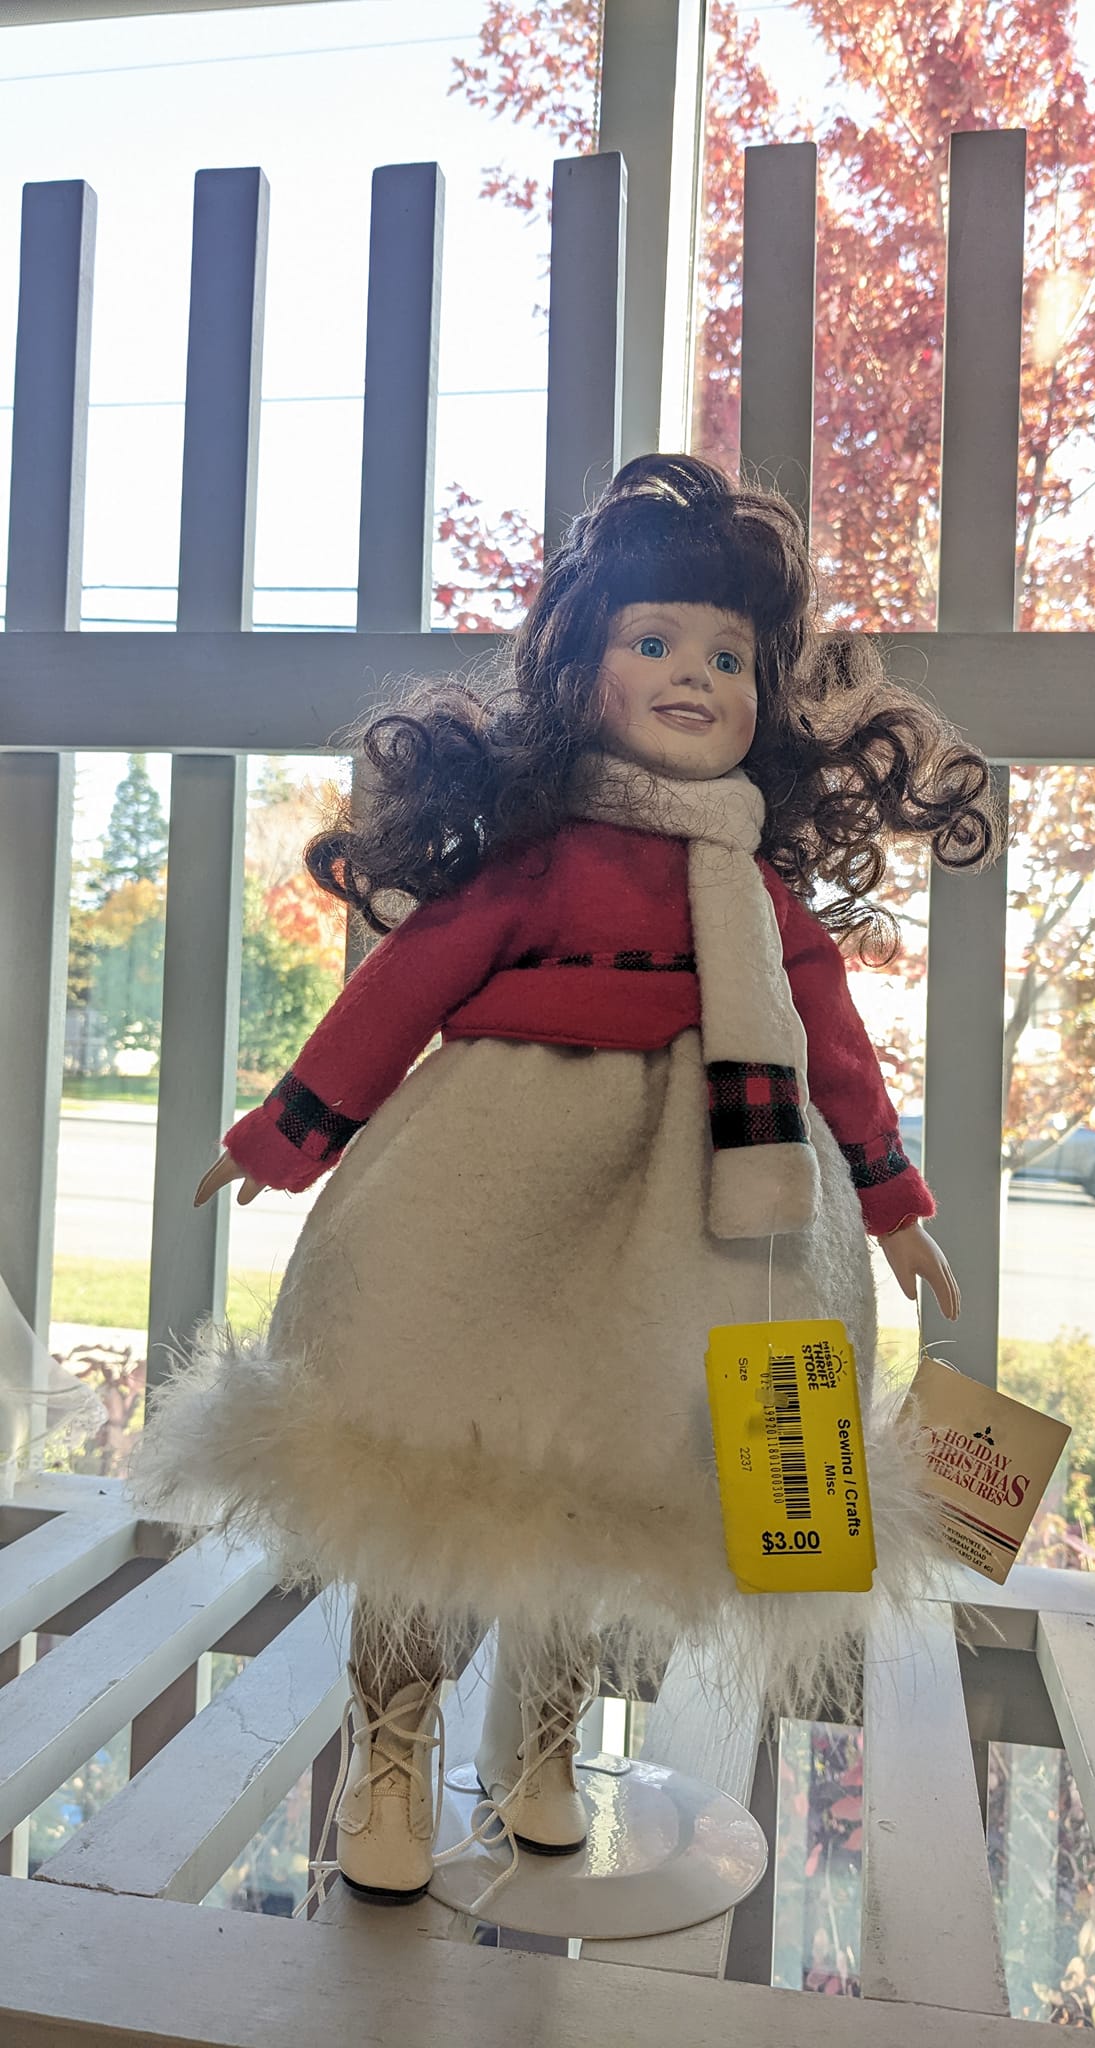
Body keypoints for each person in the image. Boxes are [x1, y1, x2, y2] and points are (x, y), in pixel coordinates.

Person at [130, 453, 1005, 1905]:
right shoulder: (537, 864)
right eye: (653, 642)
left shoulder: (758, 895)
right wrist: (289, 1131)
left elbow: (834, 1048)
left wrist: (894, 1205)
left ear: (766, 701)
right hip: (493, 1181)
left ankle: (542, 1739)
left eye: (726, 657)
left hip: (713, 1209)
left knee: (619, 1471)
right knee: (439, 1453)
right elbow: (410, 981)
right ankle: (392, 1743)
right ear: (579, 671)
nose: (691, 677)